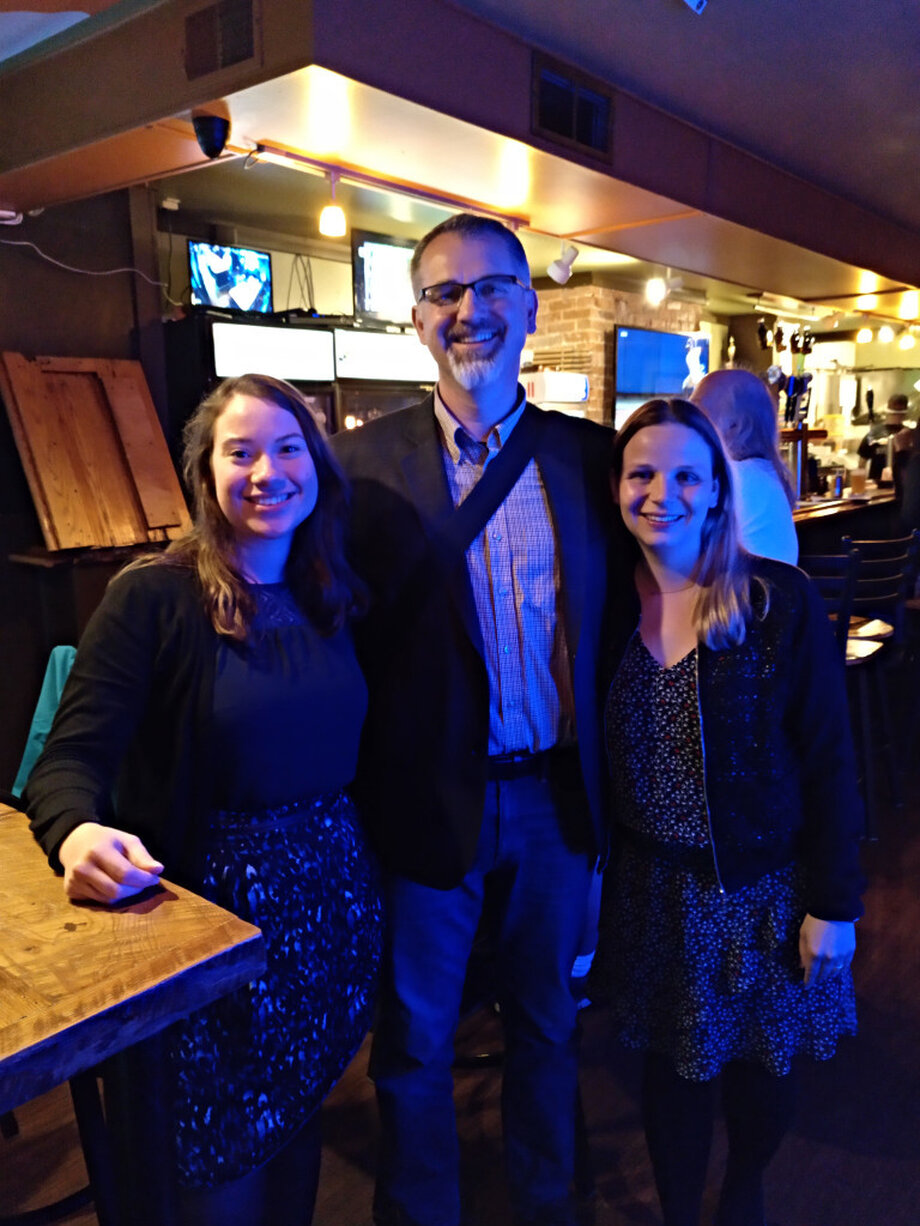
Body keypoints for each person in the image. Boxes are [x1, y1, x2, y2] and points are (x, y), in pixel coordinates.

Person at [24, 373, 383, 1226]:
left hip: (329, 923)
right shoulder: (153, 596)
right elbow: (66, 761)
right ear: (207, 475)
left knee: (296, 1135)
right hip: (213, 934)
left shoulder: (329, 589)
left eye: (289, 448)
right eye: (242, 452)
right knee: (215, 1168)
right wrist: (75, 834)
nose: (269, 471)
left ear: (317, 465)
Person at [331, 213, 614, 1226]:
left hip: (553, 797)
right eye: (445, 293)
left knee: (546, 1020)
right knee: (413, 1040)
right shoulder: (354, 467)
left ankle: (547, 1203)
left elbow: (642, 608)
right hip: (423, 798)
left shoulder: (589, 459)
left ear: (530, 307)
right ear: (415, 320)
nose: (469, 311)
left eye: (490, 287)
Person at [592, 397, 864, 1226]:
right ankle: (679, 1211)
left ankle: (743, 1190)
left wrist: (836, 905)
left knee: (764, 1074)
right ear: (616, 487)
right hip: (652, 890)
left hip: (760, 890)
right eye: (642, 473)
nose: (661, 492)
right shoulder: (603, 605)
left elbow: (829, 763)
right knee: (668, 1078)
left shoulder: (775, 599)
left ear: (716, 490)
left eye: (685, 475)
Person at [692, 367, 798, 564]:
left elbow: (680, 551)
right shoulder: (761, 472)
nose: (687, 419)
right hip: (763, 592)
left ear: (735, 425)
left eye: (697, 410)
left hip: (745, 594)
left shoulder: (738, 478)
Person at [858, 392, 909, 483]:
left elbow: (862, 463)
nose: (897, 417)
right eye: (895, 414)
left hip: (902, 485)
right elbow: (862, 463)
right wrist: (863, 484)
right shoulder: (874, 434)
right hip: (877, 484)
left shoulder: (908, 435)